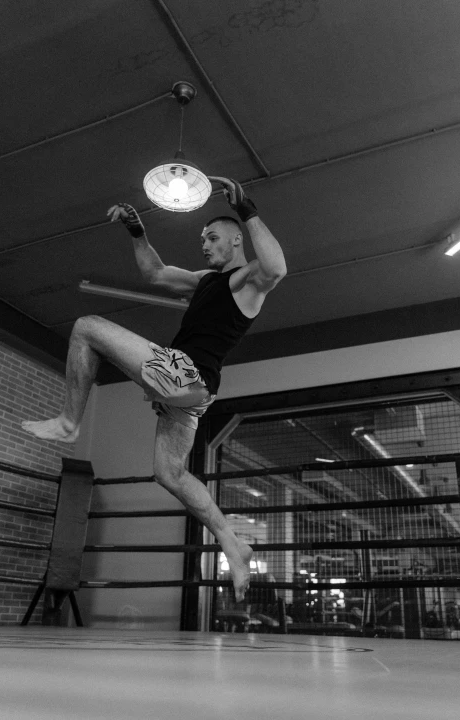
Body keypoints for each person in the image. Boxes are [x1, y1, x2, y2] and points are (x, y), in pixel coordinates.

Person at [21, 177, 287, 601]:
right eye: (203, 238)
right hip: (191, 393)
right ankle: (233, 544)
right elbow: (155, 271)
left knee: (87, 327)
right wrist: (137, 230)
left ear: (236, 241)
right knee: (169, 473)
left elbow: (276, 268)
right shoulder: (206, 281)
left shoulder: (246, 281)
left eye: (213, 237)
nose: (204, 244)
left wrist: (248, 210)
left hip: (184, 374)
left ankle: (70, 423)